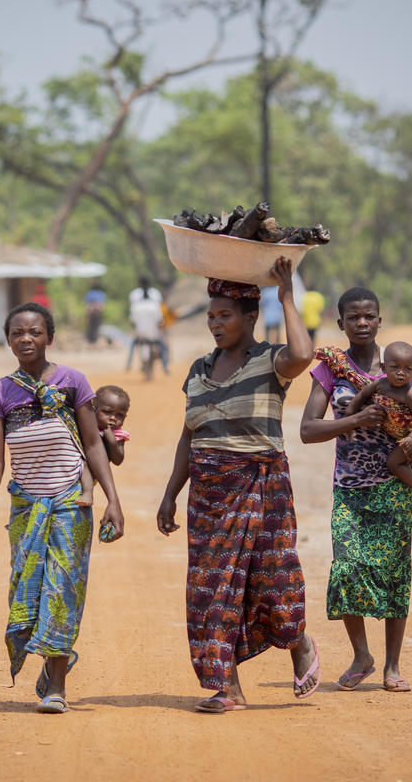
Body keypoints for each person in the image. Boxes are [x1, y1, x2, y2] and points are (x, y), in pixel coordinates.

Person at [156, 258, 320, 714]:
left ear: (251, 318)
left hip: (262, 483)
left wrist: (286, 297)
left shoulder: (271, 361)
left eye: (225, 315)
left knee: (273, 579)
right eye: (211, 316)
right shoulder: (197, 370)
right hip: (208, 492)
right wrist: (171, 492)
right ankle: (226, 687)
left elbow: (304, 355)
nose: (215, 323)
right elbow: (190, 434)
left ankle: (298, 641)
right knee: (210, 588)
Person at [0, 302, 125, 715]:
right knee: (29, 592)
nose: (26, 339)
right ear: (8, 339)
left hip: (71, 502)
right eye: (18, 332)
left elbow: (93, 444)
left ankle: (56, 686)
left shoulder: (73, 382)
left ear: (49, 338)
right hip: (26, 508)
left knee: (63, 591)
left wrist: (112, 499)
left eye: (35, 332)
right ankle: (48, 664)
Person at [300, 287, 412, 694]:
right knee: (346, 567)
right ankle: (362, 656)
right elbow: (307, 430)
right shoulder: (331, 370)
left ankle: (392, 666)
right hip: (350, 489)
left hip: (393, 487)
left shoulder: (398, 365)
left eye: (369, 316)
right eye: (352, 318)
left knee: (394, 573)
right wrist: (355, 421)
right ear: (339, 324)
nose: (361, 323)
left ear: (379, 321)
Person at [342, 341, 412, 506]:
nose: (401, 373)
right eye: (395, 367)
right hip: (399, 434)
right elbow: (362, 395)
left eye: (407, 369)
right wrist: (350, 412)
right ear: (383, 368)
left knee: (394, 463)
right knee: (410, 460)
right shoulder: (380, 385)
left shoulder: (409, 394)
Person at [77, 384, 131, 509]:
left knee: (84, 465)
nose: (113, 418)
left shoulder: (118, 435)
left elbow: (118, 460)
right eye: (107, 412)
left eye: (119, 415)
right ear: (93, 408)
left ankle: (88, 493)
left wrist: (111, 441)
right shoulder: (86, 425)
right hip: (72, 468)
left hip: (93, 470)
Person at [126, 286, 168, 375]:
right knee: (164, 347)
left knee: (132, 346)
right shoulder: (154, 306)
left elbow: (133, 321)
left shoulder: (136, 306)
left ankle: (128, 364)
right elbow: (159, 320)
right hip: (153, 334)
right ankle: (165, 367)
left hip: (140, 334)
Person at [84, 281, 106, 345]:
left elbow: (87, 304)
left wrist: (87, 311)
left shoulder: (90, 293)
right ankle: (95, 339)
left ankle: (90, 340)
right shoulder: (101, 294)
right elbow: (102, 304)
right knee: (96, 326)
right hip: (98, 312)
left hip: (91, 312)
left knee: (91, 326)